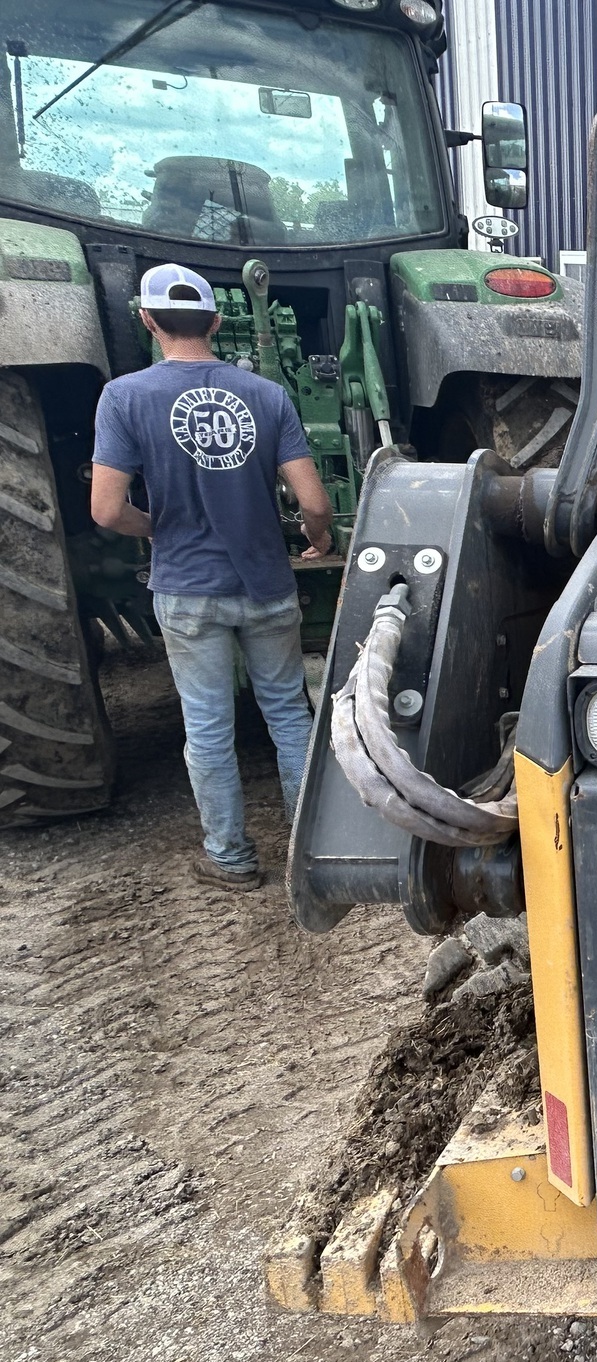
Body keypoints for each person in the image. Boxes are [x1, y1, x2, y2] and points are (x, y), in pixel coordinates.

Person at [90, 263, 333, 893]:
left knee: (207, 726)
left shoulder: (124, 397)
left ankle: (230, 857)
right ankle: (316, 852)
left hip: (187, 589)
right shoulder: (266, 395)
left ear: (146, 321)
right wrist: (319, 540)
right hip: (266, 585)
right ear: (216, 322)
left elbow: (107, 509)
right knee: (288, 714)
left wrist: (160, 530)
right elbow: (312, 500)